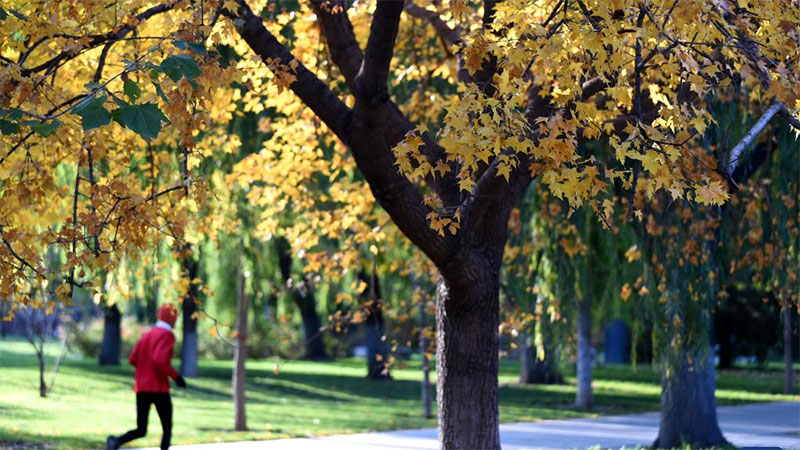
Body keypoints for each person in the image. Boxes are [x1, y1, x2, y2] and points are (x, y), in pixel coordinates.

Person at [107, 303, 187, 450]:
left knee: (141, 429)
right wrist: (176, 377)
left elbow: (133, 359)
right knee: (167, 427)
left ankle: (116, 441)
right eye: (175, 317)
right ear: (172, 318)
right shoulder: (167, 335)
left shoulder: (147, 335)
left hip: (142, 388)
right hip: (159, 389)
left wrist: (145, 369)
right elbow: (160, 360)